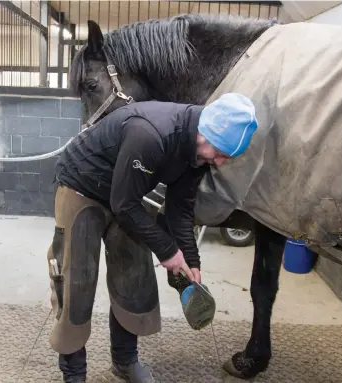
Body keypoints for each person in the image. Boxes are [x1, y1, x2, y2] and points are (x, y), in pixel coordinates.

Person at [46, 93, 258, 383]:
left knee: (134, 275)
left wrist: (191, 260)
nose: (220, 163)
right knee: (76, 284)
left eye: (226, 158)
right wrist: (168, 251)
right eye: (220, 153)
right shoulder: (151, 134)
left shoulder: (197, 152)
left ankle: (124, 361)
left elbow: (180, 210)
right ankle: (74, 375)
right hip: (82, 186)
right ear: (205, 134)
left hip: (126, 193)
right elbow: (124, 205)